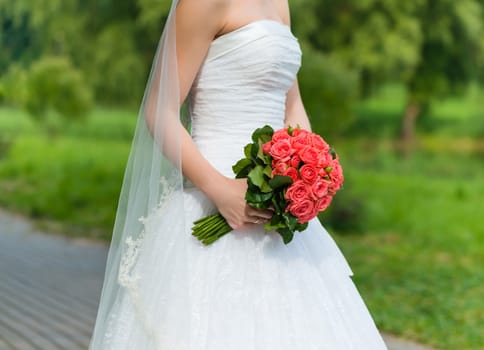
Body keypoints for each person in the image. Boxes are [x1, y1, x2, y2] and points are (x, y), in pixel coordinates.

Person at [89, 0, 388, 349]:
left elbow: (292, 106)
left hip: (277, 207)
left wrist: (304, 173)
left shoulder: (279, 3)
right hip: (213, 196)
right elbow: (160, 111)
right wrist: (221, 191)